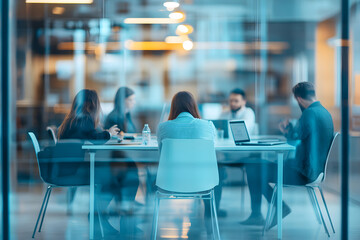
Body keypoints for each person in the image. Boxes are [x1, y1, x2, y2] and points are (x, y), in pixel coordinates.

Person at [241, 82, 334, 228]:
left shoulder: (309, 113)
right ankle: (277, 207)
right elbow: (303, 136)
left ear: (298, 99)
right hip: (315, 171)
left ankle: (266, 211)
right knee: (256, 164)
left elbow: (294, 139)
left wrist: (285, 130)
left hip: (303, 173)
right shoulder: (324, 112)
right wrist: (292, 130)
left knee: (253, 165)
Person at [57, 89, 120, 236]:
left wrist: (102, 132)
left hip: (67, 167)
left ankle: (99, 215)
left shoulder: (74, 119)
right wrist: (109, 133)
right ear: (93, 104)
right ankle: (98, 215)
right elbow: (96, 139)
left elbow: (90, 135)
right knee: (111, 177)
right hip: (71, 171)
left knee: (107, 172)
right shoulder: (84, 119)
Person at [157, 91, 217, 238]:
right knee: (213, 187)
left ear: (173, 108)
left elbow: (162, 154)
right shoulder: (208, 126)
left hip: (169, 183)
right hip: (202, 182)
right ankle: (210, 230)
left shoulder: (163, 127)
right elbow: (210, 150)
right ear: (193, 106)